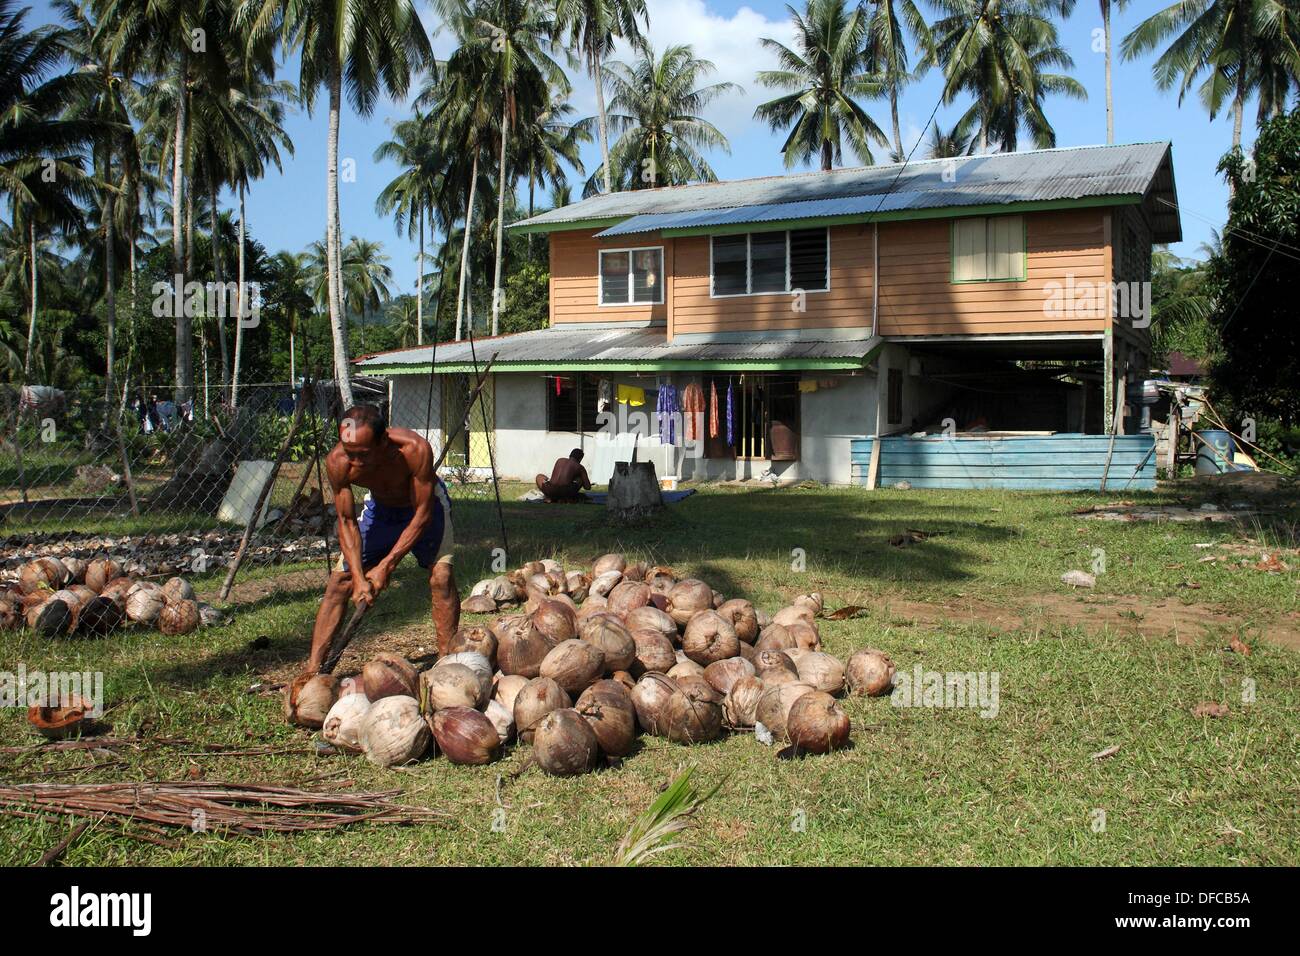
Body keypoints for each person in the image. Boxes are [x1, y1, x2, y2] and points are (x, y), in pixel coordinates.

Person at [306, 404, 459, 669]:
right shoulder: (338, 462)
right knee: (339, 582)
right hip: (381, 510)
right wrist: (358, 577)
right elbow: (346, 521)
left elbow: (422, 516)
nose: (355, 463)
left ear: (384, 442)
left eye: (363, 455)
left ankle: (447, 662)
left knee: (441, 576)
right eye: (350, 453)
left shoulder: (414, 450)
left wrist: (385, 567)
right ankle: (313, 669)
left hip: (423, 506)